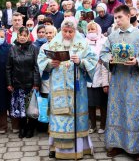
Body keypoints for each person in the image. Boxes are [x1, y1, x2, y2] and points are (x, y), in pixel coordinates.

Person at [38, 18, 98, 159]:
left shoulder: (82, 44)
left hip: (77, 91)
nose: (67, 34)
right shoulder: (53, 43)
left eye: (70, 31)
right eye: (65, 31)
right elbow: (41, 59)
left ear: (75, 31)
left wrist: (81, 62)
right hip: (58, 90)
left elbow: (92, 60)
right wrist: (50, 63)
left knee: (76, 118)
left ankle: (79, 150)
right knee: (59, 118)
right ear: (61, 30)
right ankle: (56, 149)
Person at [100, 5, 139, 160]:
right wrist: (109, 59)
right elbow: (103, 53)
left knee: (134, 113)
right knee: (117, 111)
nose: (117, 20)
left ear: (129, 16)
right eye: (115, 18)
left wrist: (137, 61)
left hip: (133, 81)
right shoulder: (112, 36)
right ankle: (117, 145)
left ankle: (137, 148)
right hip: (117, 81)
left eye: (120, 17)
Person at [6, 27, 40, 138]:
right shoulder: (12, 49)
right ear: (17, 35)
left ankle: (30, 128)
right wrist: (9, 83)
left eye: (25, 35)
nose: (22, 37)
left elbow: (36, 67)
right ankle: (22, 128)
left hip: (30, 84)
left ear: (28, 36)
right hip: (17, 83)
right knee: (20, 108)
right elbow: (8, 68)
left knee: (31, 108)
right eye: (20, 35)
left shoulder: (33, 49)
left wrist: (36, 83)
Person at [86, 22, 109, 134]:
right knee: (90, 104)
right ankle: (93, 125)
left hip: (101, 75)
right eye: (89, 29)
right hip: (89, 77)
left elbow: (107, 56)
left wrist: (102, 59)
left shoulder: (104, 41)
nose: (91, 31)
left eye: (93, 29)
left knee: (102, 103)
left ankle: (103, 125)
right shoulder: (84, 42)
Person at [0, 28, 11, 134]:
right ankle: (2, 126)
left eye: (2, 36)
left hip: (8, 78)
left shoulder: (10, 47)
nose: (0, 38)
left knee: (11, 100)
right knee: (0, 102)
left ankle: (15, 124)